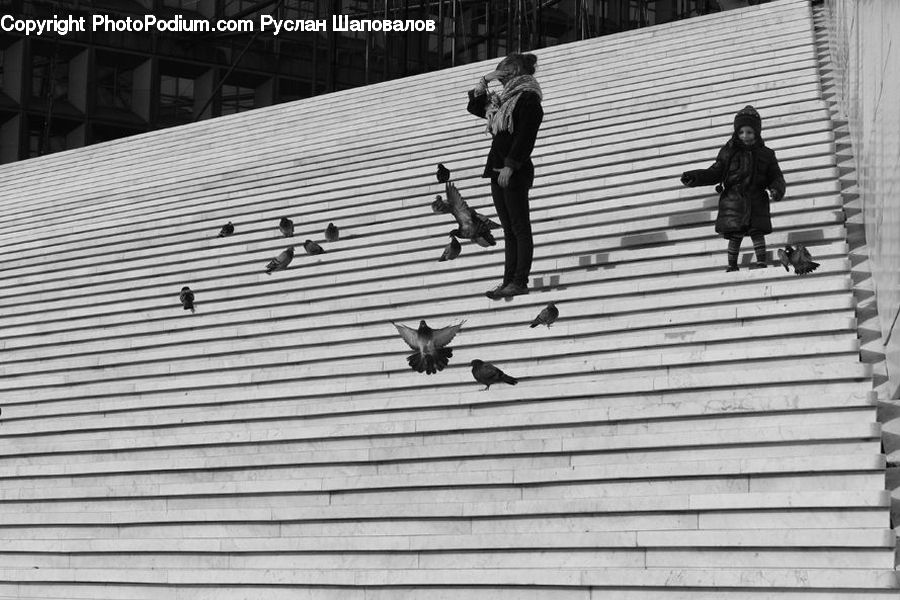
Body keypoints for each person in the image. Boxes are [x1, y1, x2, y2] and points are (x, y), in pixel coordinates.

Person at [467, 53, 544, 299]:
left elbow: (525, 136)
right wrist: (485, 79)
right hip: (497, 169)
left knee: (520, 227)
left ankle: (519, 280)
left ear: (515, 72)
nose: (501, 79)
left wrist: (511, 165)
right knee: (509, 229)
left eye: (504, 73)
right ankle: (508, 281)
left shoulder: (528, 98)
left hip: (514, 170)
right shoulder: (503, 102)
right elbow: (475, 106)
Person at [680, 105, 786, 271]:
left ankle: (761, 262)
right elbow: (715, 172)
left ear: (757, 133)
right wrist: (695, 177)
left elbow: (776, 175)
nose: (745, 136)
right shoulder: (728, 152)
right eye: (741, 132)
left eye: (750, 132)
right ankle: (732, 265)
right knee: (735, 234)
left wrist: (777, 189)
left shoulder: (767, 154)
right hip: (733, 200)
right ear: (736, 133)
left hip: (756, 198)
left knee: (757, 232)